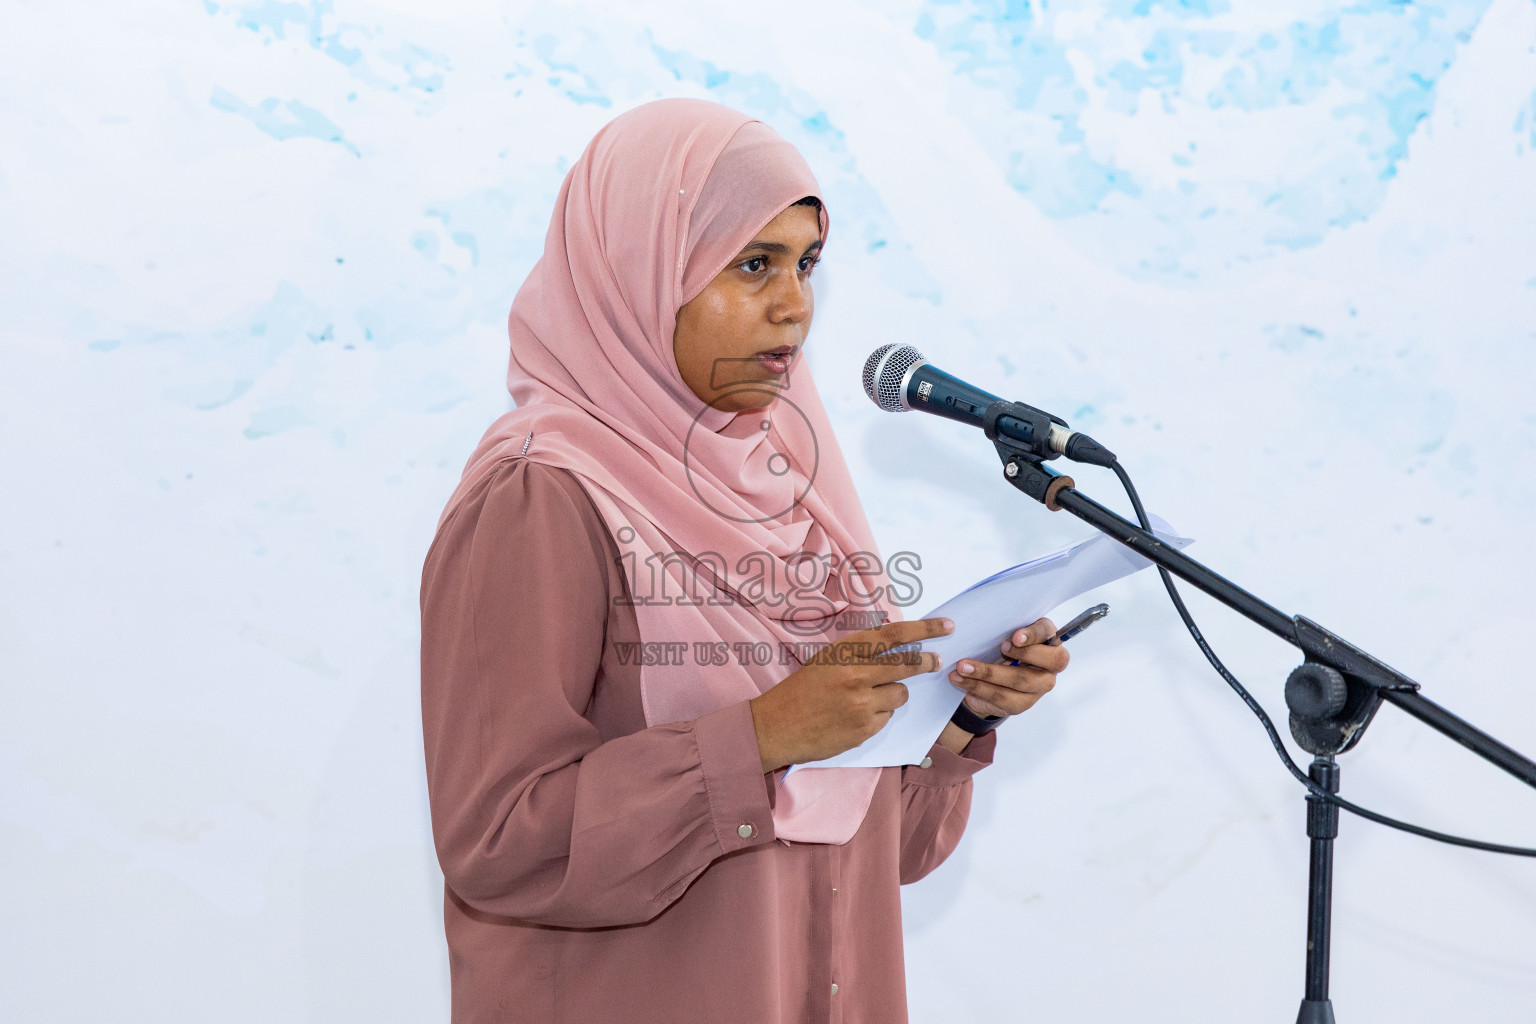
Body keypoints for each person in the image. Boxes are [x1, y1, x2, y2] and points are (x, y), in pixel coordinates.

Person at [419, 98, 1070, 1024]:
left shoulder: (798, 494)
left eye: (806, 264)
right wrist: (762, 736)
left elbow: (881, 851)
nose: (793, 303)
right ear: (637, 271)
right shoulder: (541, 498)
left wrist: (957, 715)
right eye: (751, 263)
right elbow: (499, 843)